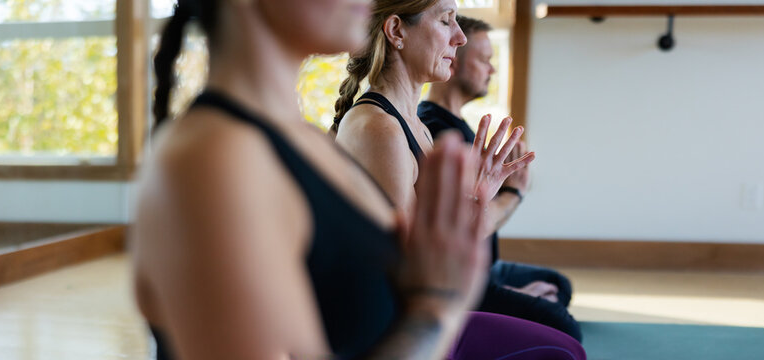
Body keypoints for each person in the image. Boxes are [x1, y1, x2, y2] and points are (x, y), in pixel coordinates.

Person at [131, 0, 586, 359]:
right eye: (445, 20)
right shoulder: (213, 161)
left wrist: (465, 217)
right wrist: (437, 308)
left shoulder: (303, 141)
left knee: (561, 347)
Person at [331, 0, 584, 356]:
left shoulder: (415, 127)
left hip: (426, 311)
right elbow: (408, 265)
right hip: (400, 330)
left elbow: (435, 245)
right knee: (562, 348)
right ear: (396, 31)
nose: (460, 38)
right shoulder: (378, 128)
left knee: (566, 344)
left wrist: (482, 192)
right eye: (447, 21)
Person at [419, 15, 582, 342]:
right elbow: (461, 229)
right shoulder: (440, 131)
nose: (492, 70)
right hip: (460, 277)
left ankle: (510, 299)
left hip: (491, 267)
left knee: (559, 284)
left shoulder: (457, 123)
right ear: (452, 60)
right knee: (565, 326)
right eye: (484, 60)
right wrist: (513, 193)